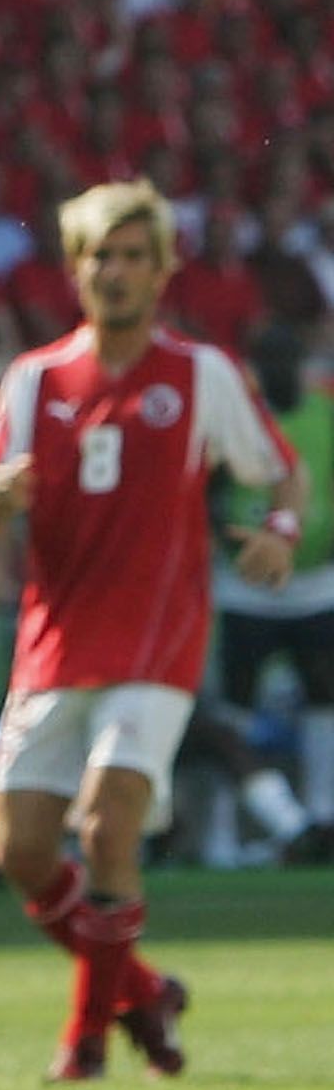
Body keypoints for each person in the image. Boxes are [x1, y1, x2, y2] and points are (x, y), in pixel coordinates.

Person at [0, 178, 305, 1082]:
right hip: (53, 640)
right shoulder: (35, 380)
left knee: (108, 826)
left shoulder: (200, 374)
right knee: (20, 852)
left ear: (161, 272)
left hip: (158, 640)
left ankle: (84, 1045)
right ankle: (144, 996)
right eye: (98, 256)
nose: (113, 271)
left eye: (132, 256)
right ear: (76, 270)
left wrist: (279, 531)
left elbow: (283, 474)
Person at [203, 323, 334, 860]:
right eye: (268, 362)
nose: (278, 372)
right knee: (234, 709)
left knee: (324, 695)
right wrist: (225, 541)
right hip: (247, 589)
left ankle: (322, 817)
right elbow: (209, 491)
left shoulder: (325, 413)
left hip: (314, 583)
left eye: (286, 360)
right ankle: (221, 837)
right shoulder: (238, 419)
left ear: (300, 363)